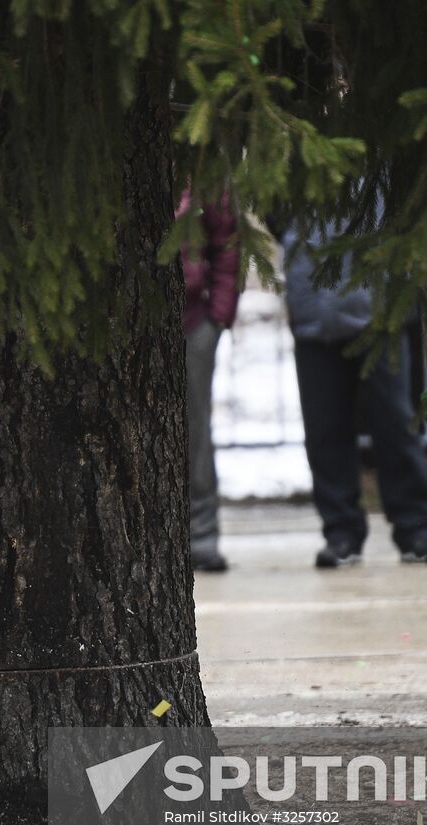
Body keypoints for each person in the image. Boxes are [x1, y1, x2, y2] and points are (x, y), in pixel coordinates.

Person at [281, 221, 427, 568]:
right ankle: (341, 532)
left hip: (381, 313)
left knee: (396, 422)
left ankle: (416, 528)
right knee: (325, 430)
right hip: (315, 314)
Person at [181, 193, 240, 572]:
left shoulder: (200, 171)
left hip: (193, 323)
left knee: (194, 431)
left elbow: (227, 244)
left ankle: (201, 537)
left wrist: (217, 318)